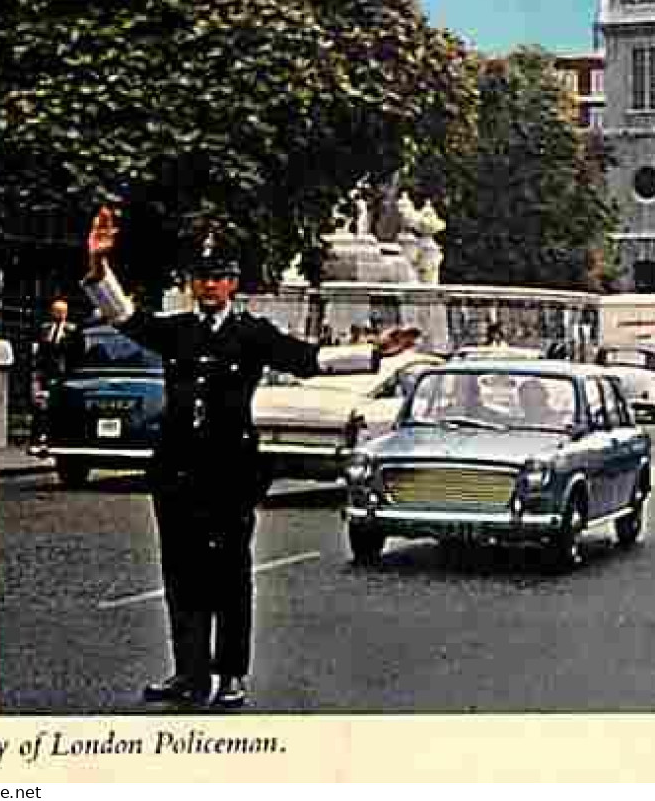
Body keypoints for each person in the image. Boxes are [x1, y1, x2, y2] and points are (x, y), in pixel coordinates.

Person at [81, 206, 415, 710]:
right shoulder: (176, 331)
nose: (210, 286)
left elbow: (309, 360)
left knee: (230, 576)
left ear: (232, 283)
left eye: (219, 278)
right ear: (192, 284)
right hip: (176, 475)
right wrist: (98, 267)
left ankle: (231, 674)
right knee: (181, 576)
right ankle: (189, 675)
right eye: (202, 278)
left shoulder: (251, 333)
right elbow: (124, 316)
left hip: (230, 475)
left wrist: (374, 352)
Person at [32, 296, 83, 411]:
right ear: (52, 312)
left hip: (63, 369)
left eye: (62, 311)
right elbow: (40, 348)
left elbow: (75, 350)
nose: (60, 314)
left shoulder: (72, 329)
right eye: (57, 311)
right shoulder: (45, 328)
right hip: (47, 368)